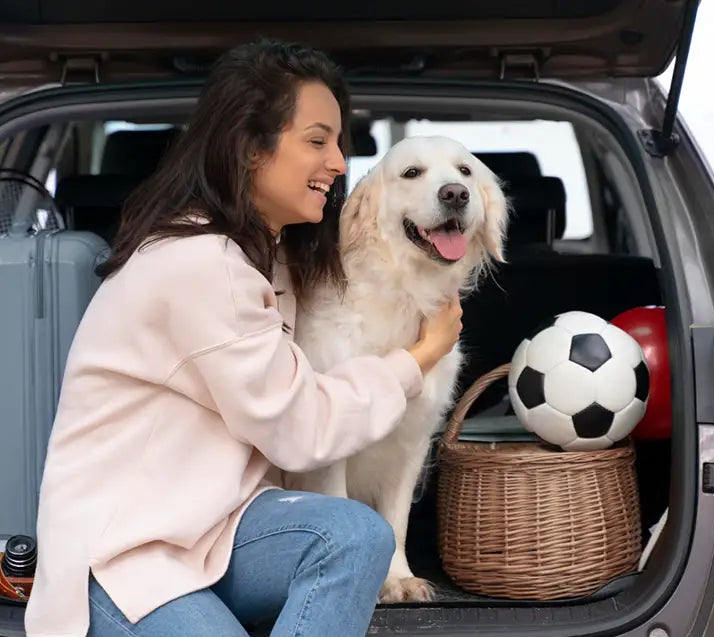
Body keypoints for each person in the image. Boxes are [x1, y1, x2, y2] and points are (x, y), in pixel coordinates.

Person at [23, 38, 463, 637]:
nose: (339, 162)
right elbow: (300, 429)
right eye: (317, 141)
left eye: (339, 143)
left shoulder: (271, 257)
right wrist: (421, 356)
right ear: (251, 149)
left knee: (359, 534)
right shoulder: (199, 265)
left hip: (215, 532)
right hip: (126, 557)